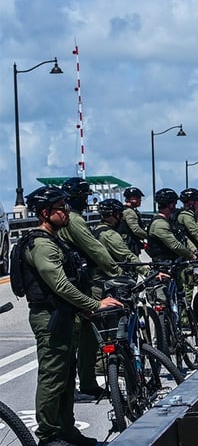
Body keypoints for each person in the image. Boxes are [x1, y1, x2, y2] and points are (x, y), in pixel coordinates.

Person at [19, 186, 123, 446]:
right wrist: (94, 304)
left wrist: (84, 308)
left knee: (66, 375)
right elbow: (60, 285)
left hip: (64, 314)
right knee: (53, 376)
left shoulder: (55, 240)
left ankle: (66, 429)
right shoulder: (40, 244)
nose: (66, 212)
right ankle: (48, 435)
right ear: (45, 213)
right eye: (60, 208)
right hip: (49, 318)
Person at [57, 177, 123, 404]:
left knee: (87, 337)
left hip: (79, 281)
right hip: (79, 284)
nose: (87, 202)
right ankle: (77, 387)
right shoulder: (74, 221)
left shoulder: (71, 219)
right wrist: (117, 273)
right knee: (82, 337)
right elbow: (95, 249)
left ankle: (87, 384)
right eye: (85, 198)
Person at [94, 199, 150, 278]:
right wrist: (148, 272)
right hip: (108, 279)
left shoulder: (96, 230)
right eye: (120, 214)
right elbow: (127, 256)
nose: (121, 218)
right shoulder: (110, 235)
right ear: (114, 215)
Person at [146, 188, 196, 263]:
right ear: (171, 205)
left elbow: (182, 238)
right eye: (175, 204)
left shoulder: (168, 221)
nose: (175, 207)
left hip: (174, 262)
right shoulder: (160, 224)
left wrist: (195, 251)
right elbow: (175, 245)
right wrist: (192, 256)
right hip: (165, 265)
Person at [119, 186, 146, 255]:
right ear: (132, 198)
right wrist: (149, 236)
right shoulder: (129, 212)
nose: (140, 200)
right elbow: (136, 230)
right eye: (139, 198)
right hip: (129, 244)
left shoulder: (125, 209)